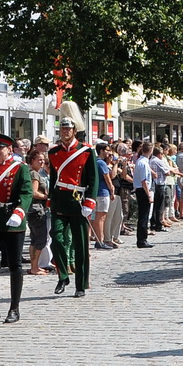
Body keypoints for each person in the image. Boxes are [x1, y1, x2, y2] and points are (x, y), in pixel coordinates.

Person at [48, 102, 105, 297]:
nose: (65, 132)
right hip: (60, 200)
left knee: (81, 245)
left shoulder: (86, 151)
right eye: (62, 128)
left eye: (68, 128)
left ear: (74, 131)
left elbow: (92, 179)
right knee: (56, 239)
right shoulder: (53, 153)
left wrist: (90, 201)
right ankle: (63, 275)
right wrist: (50, 199)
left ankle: (80, 284)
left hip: (78, 200)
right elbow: (53, 179)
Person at [0, 134, 33, 323]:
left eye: (0, 148)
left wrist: (20, 212)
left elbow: (27, 193)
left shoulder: (20, 169)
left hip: (13, 221)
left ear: (9, 150)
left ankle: (14, 307)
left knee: (15, 265)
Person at [26, 148, 52, 276]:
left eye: (43, 160)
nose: (42, 162)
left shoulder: (34, 172)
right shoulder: (34, 174)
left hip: (34, 210)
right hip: (37, 210)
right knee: (40, 239)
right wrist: (47, 197)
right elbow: (34, 192)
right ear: (32, 161)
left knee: (34, 239)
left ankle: (33, 266)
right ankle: (35, 267)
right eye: (39, 160)